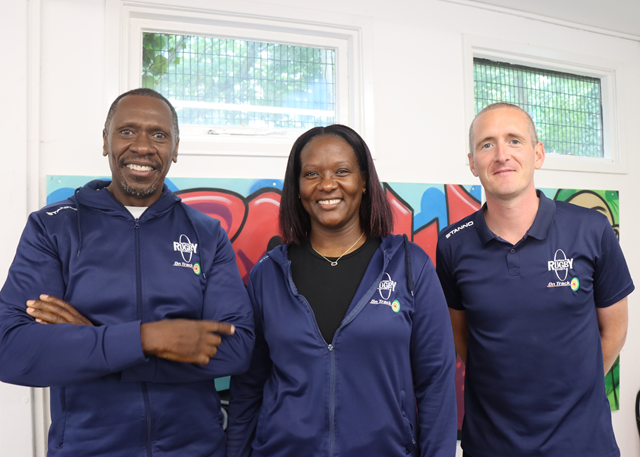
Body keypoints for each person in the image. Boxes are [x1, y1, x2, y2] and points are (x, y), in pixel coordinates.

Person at [0, 88, 255, 457]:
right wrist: (147, 338)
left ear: (176, 149)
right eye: (127, 131)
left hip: (195, 448)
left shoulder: (206, 233)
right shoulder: (52, 228)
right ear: (106, 141)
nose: (142, 146)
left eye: (159, 134)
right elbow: (11, 349)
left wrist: (96, 345)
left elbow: (237, 347)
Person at [226, 124, 457, 457]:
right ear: (297, 187)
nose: (327, 185)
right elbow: (248, 387)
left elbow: (436, 383)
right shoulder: (269, 274)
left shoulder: (409, 266)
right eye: (311, 174)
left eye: (342, 171)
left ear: (363, 181)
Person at [436, 102, 634, 457]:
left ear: (538, 154)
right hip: (491, 446)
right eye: (487, 144)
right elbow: (461, 337)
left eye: (514, 141)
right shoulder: (452, 245)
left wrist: (576, 387)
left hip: (583, 445)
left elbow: (615, 332)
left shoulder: (591, 229)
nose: (501, 155)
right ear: (472, 163)